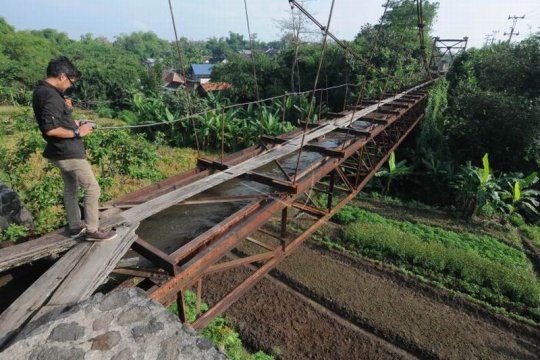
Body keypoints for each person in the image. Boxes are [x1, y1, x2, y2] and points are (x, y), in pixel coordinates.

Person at [32, 56, 116, 241]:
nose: (70, 85)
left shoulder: (43, 91)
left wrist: (75, 122)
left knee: (71, 188)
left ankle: (74, 226)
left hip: (59, 152)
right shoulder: (50, 95)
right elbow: (51, 129)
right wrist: (79, 132)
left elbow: (57, 121)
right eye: (70, 81)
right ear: (62, 76)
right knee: (92, 188)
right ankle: (93, 230)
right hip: (67, 151)